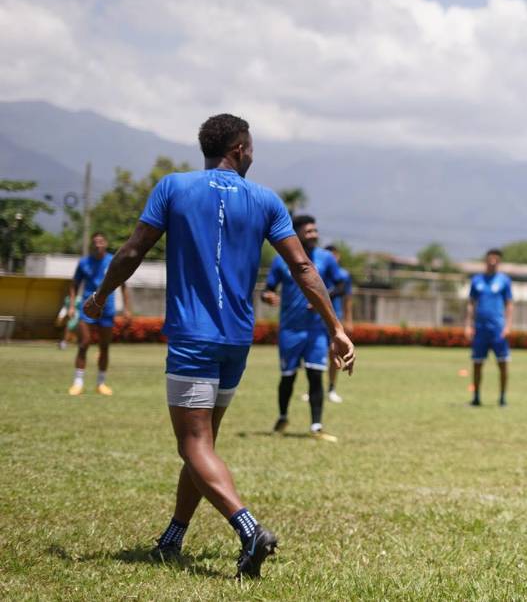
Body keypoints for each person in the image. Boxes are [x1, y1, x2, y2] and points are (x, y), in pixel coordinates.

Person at [82, 113, 354, 578]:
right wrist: (336, 327)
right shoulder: (266, 200)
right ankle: (173, 536)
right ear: (240, 149)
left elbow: (132, 250)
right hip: (237, 340)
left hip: (192, 338)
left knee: (193, 446)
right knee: (203, 444)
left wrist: (100, 295)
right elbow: (304, 268)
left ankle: (249, 530)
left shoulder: (173, 188)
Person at [262, 215, 340, 442]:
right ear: (297, 234)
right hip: (290, 330)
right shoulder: (281, 261)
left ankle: (316, 426)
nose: (314, 235)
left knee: (316, 376)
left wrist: (323, 299)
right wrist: (268, 297)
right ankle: (283, 416)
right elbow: (268, 289)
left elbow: (342, 285)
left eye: (315, 231)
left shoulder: (326, 259)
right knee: (287, 377)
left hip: (316, 330)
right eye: (309, 231)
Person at [67, 232, 131, 396]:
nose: (98, 245)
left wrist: (126, 308)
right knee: (84, 343)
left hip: (107, 309)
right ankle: (78, 383)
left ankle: (101, 383)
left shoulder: (112, 261)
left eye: (101, 242)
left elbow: (123, 285)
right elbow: (74, 285)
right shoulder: (83, 263)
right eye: (95, 242)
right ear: (91, 245)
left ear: (106, 243)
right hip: (87, 308)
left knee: (104, 346)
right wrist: (72, 306)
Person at [465, 248, 513, 407]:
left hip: (498, 329)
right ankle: (476, 398)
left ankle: (502, 398)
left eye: (496, 260)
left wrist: (508, 326)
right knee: (477, 364)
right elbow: (471, 303)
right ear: (486, 260)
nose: (492, 262)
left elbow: (509, 305)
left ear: (499, 262)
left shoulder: (504, 281)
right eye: (490, 259)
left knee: (503, 364)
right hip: (480, 329)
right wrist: (468, 325)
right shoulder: (477, 280)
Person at [325, 244, 353, 404]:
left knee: (333, 354)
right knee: (314, 356)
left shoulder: (343, 275)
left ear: (338, 256)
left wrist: (348, 320)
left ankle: (331, 389)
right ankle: (312, 389)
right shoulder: (318, 270)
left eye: (333, 256)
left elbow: (347, 299)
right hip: (316, 319)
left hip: (336, 319)